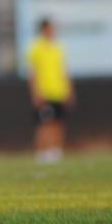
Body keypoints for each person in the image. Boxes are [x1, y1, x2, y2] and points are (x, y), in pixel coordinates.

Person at [27, 18, 73, 163]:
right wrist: (35, 93)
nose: (52, 31)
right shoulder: (36, 48)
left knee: (58, 122)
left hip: (58, 91)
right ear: (43, 30)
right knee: (44, 123)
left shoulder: (58, 48)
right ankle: (42, 153)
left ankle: (56, 151)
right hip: (44, 91)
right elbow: (33, 73)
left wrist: (69, 90)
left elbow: (63, 71)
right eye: (50, 28)